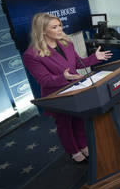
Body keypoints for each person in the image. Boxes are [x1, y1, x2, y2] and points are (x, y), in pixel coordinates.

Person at [22, 13, 112, 163]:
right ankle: (73, 151)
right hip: (57, 95)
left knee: (79, 119)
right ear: (43, 30)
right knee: (65, 125)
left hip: (76, 88)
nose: (60, 29)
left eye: (60, 26)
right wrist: (63, 77)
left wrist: (95, 58)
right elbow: (43, 80)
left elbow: (78, 63)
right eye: (54, 27)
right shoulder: (31, 55)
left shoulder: (66, 43)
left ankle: (83, 145)